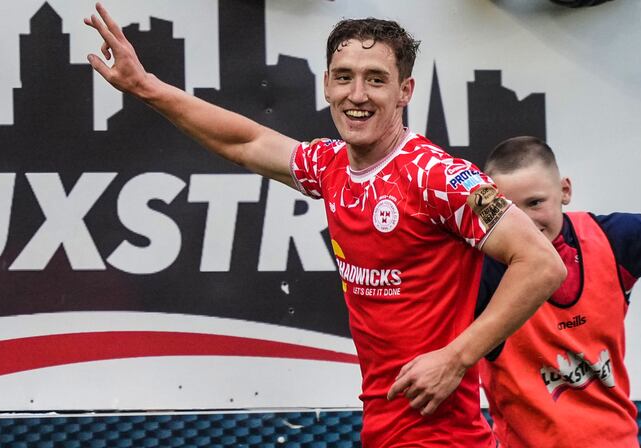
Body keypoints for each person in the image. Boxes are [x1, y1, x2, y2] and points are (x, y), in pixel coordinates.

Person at [84, 4, 565, 446]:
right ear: (326, 86)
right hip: (385, 425)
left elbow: (542, 264)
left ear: (405, 92)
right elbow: (245, 141)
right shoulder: (330, 167)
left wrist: (457, 357)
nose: (357, 95)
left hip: (442, 436)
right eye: (344, 77)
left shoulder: (436, 177)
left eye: (376, 79)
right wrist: (146, 86)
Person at [479, 136, 641, 447]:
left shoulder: (614, 241)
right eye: (508, 210)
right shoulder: (481, 270)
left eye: (535, 203)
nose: (525, 222)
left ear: (564, 191)